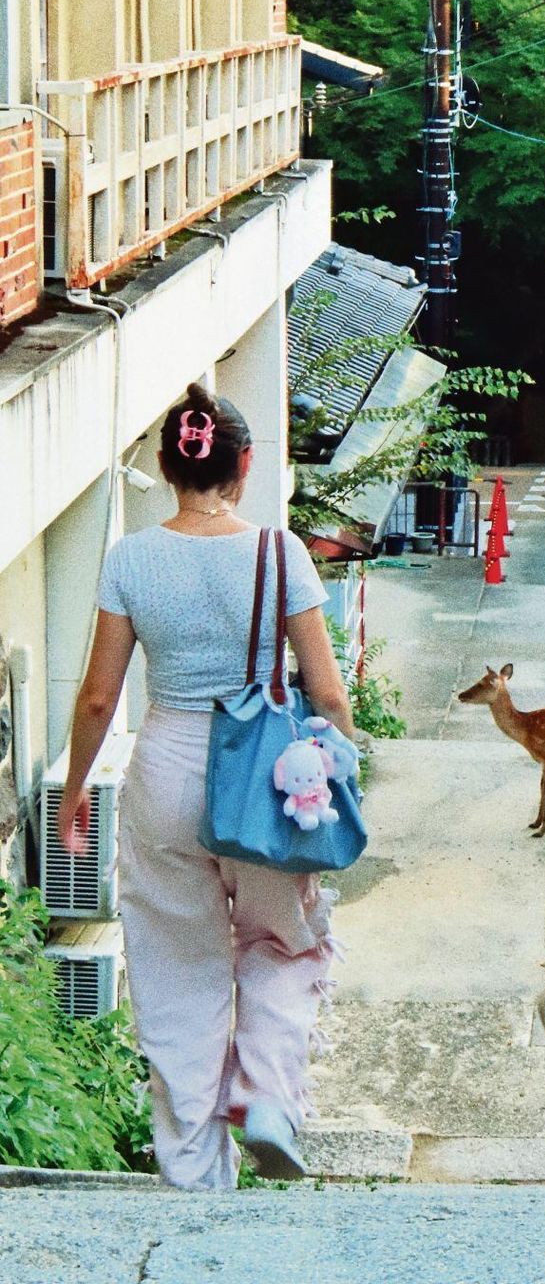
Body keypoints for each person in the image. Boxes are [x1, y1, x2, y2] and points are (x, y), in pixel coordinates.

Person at [57, 383, 356, 1192]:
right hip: (264, 776)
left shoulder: (130, 559)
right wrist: (342, 769)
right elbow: (327, 694)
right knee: (282, 939)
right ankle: (265, 1098)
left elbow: (97, 696)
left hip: (165, 767)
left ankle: (191, 1175)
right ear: (246, 466)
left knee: (176, 967)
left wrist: (77, 788)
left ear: (165, 467)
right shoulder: (280, 552)